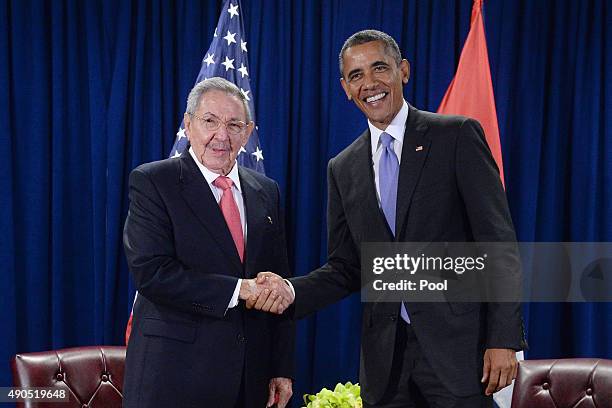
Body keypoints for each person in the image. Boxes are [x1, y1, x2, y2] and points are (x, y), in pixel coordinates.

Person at [250, 30, 526, 407]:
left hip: (460, 356)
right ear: (345, 87)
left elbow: (497, 242)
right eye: (356, 75)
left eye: (379, 68)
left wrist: (503, 338)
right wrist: (291, 290)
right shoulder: (342, 167)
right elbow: (348, 267)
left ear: (404, 71)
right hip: (386, 367)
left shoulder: (456, 137)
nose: (370, 84)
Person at [122, 77, 294, 408]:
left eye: (234, 125)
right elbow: (153, 274)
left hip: (250, 379)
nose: (222, 135)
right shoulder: (154, 182)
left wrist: (280, 368)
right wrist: (241, 290)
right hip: (174, 377)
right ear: (188, 125)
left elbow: (278, 284)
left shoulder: (265, 191)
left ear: (247, 132)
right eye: (210, 121)